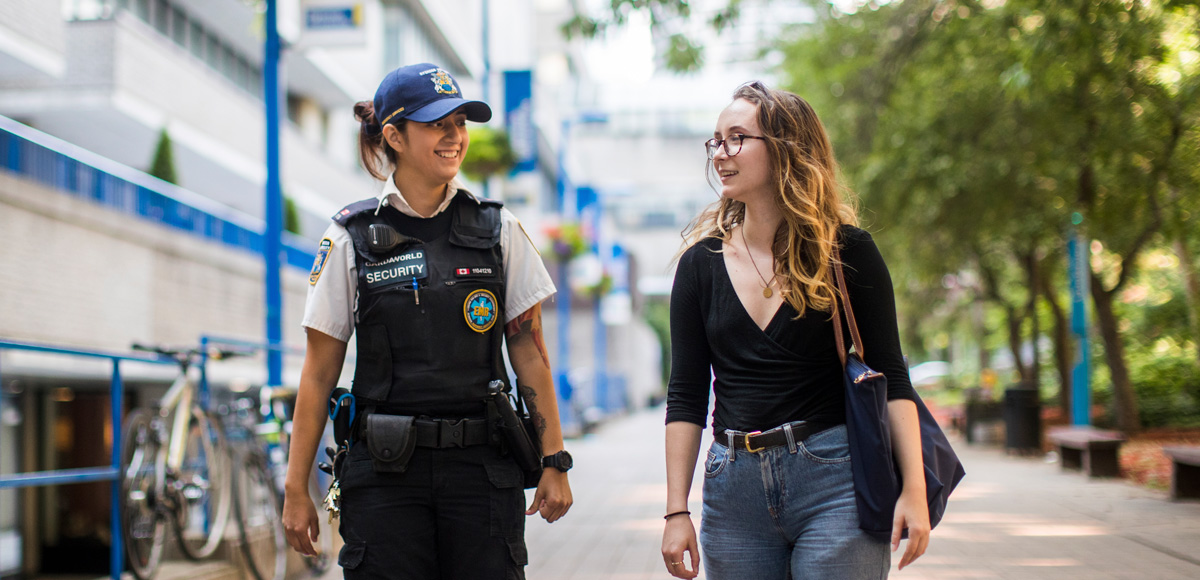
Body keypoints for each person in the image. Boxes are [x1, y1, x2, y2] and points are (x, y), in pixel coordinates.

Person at [281, 63, 573, 580]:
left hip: (482, 472)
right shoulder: (350, 235)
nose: (454, 136)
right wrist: (296, 489)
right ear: (393, 135)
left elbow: (529, 352)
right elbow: (319, 372)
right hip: (385, 476)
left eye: (460, 122)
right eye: (437, 123)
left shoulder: (498, 229)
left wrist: (555, 461)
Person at [660, 81, 930, 580]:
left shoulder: (847, 251)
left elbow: (891, 373)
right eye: (715, 141)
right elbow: (686, 394)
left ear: (786, 150)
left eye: (737, 138)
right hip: (732, 488)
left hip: (835, 480)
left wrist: (914, 489)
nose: (720, 153)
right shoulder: (700, 265)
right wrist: (677, 511)